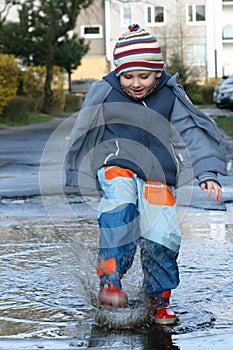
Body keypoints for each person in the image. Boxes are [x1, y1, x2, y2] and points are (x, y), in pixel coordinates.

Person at [65, 24, 226, 325]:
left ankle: (159, 298)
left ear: (158, 71)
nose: (136, 83)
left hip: (158, 174)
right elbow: (84, 129)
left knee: (162, 234)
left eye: (144, 76)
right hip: (117, 166)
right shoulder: (107, 91)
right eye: (128, 76)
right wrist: (79, 173)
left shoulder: (169, 95)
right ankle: (110, 281)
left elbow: (191, 132)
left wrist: (208, 172)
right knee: (120, 212)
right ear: (118, 72)